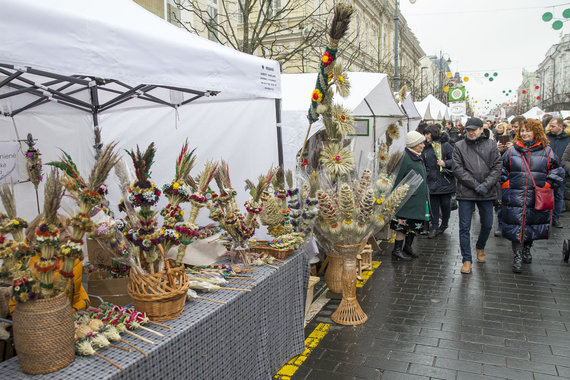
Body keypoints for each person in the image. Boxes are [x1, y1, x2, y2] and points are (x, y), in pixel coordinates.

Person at [500, 119, 565, 273]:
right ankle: (517, 255)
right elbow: (502, 170)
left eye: (528, 130)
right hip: (516, 196)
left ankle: (527, 248)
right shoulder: (512, 151)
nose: (524, 133)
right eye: (522, 131)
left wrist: (548, 185)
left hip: (536, 196)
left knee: (530, 225)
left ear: (536, 132)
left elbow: (558, 171)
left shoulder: (547, 151)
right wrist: (506, 184)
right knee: (517, 226)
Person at [452, 117, 502, 274]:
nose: (471, 132)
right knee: (464, 227)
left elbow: (497, 166)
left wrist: (486, 185)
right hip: (466, 192)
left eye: (474, 129)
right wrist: (476, 185)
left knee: (487, 224)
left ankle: (480, 246)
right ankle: (467, 259)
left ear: (482, 129)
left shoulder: (491, 145)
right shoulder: (459, 146)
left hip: (487, 192)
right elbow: (457, 169)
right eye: (468, 130)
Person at [390, 131, 430, 261]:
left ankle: (407, 247)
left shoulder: (417, 155)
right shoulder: (405, 158)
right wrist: (395, 198)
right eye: (420, 143)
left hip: (416, 200)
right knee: (402, 227)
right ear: (413, 144)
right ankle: (397, 251)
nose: (423, 145)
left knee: (413, 225)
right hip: (407, 201)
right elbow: (398, 179)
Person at [421, 124, 455, 238]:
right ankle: (434, 227)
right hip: (431, 181)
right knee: (433, 206)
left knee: (446, 205)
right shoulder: (426, 147)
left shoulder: (445, 146)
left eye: (427, 134)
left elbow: (455, 160)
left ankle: (444, 224)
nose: (426, 136)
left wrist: (445, 163)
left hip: (445, 181)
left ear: (433, 133)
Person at [545, 117, 570, 228]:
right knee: (545, 195)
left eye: (553, 126)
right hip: (547, 170)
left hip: (561, 171)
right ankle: (545, 218)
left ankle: (556, 218)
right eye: (550, 126)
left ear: (560, 126)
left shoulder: (567, 138)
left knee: (559, 196)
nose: (550, 128)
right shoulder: (546, 137)